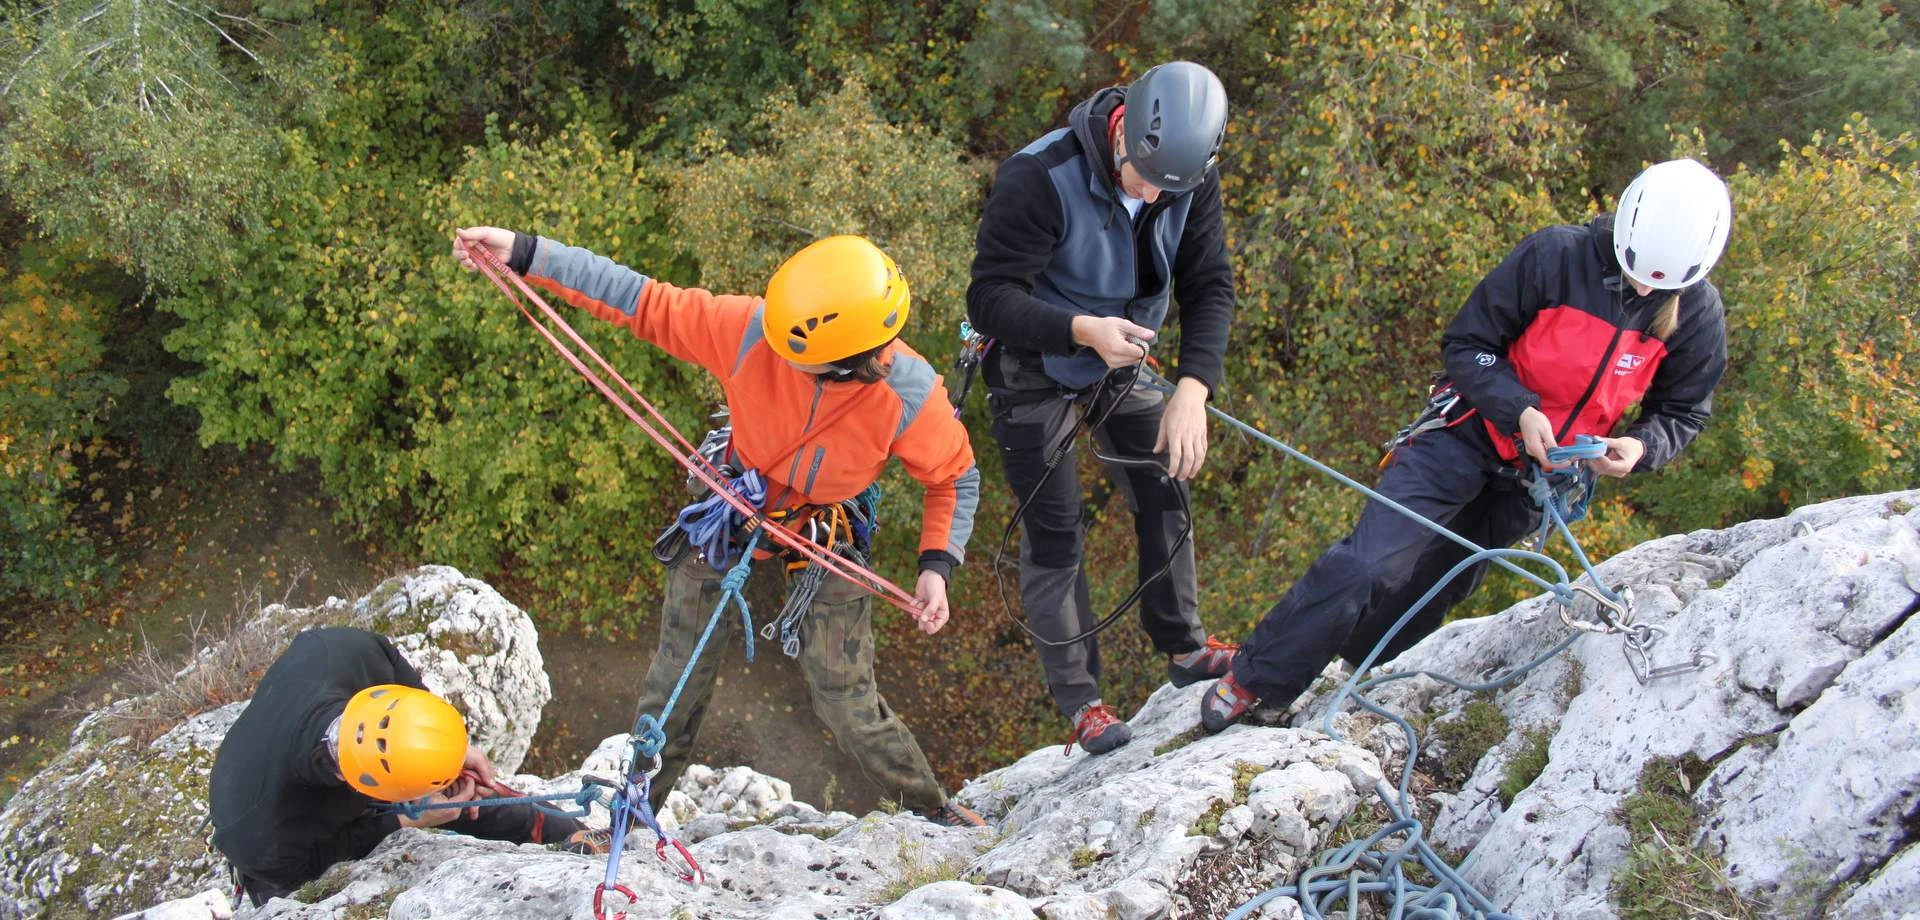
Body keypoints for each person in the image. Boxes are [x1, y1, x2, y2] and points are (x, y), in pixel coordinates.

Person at [452, 228, 985, 826]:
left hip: (825, 528)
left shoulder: (907, 393)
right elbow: (640, 299)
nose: (784, 364)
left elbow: (954, 477)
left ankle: (930, 808)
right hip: (731, 502)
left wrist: (937, 565)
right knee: (676, 677)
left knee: (844, 698)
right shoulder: (752, 331)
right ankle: (632, 817)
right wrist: (524, 253)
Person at [1202, 158, 1734, 731]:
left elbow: (1682, 411)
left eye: (1659, 285)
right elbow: (1468, 343)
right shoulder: (1556, 257)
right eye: (1635, 275)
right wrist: (1519, 407)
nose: (1643, 289)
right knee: (1371, 561)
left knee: (1439, 585)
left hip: (1543, 474)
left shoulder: (1697, 314)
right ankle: (1257, 679)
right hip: (1467, 431)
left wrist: (1640, 447)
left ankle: (1358, 675)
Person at [965, 60, 1240, 755]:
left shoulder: (1187, 178)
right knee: (1056, 532)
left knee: (1167, 478)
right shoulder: (1040, 176)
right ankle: (1083, 702)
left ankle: (1183, 648)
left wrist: (1192, 390)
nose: (1150, 196)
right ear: (1124, 134)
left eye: (1166, 189)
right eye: (1142, 178)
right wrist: (1080, 329)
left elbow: (1209, 286)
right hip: (1036, 364)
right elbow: (990, 297)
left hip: (1125, 359)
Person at [208, 626, 599, 906]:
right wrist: (408, 821)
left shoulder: (339, 654)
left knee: (480, 800)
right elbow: (306, 866)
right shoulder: (259, 833)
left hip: (335, 769)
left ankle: (581, 836)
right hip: (288, 858)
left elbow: (397, 672)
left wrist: (453, 748)